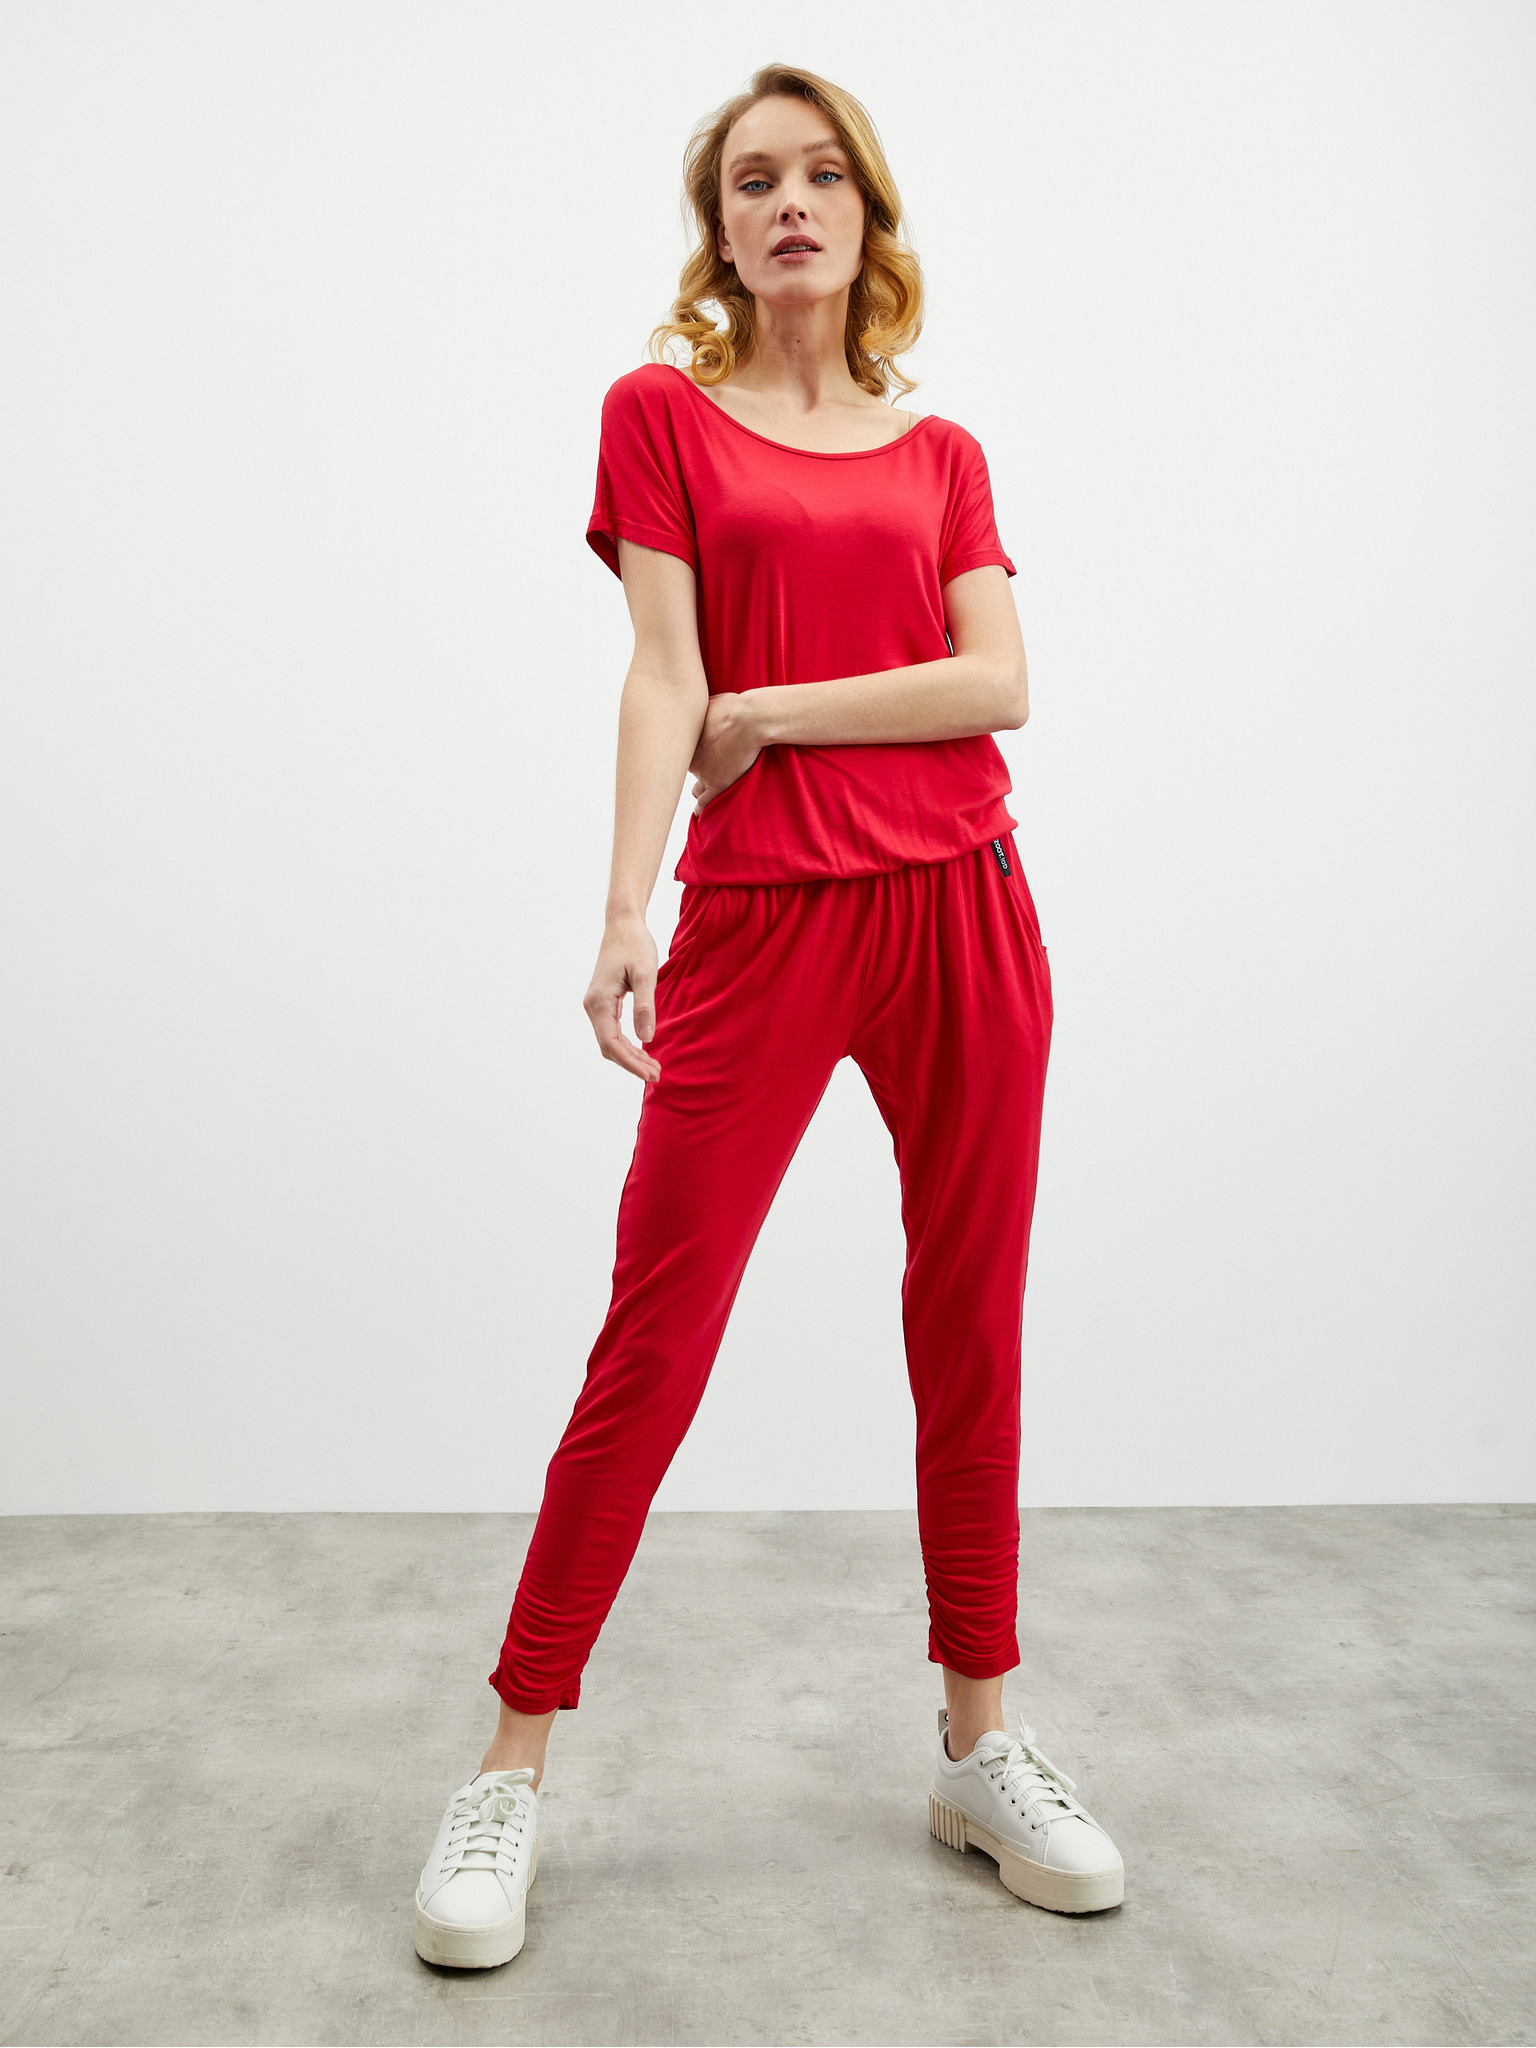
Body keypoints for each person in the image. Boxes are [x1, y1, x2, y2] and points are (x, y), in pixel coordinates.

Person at [412, 62, 1124, 1971]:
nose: (789, 203)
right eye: (751, 182)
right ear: (718, 230)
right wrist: (624, 906)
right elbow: (664, 674)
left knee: (969, 1322)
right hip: (760, 921)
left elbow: (998, 682)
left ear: (866, 213)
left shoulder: (942, 451)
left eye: (821, 175)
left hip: (967, 907)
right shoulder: (659, 416)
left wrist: (776, 712)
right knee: (654, 1337)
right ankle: (510, 1764)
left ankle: (981, 1743)